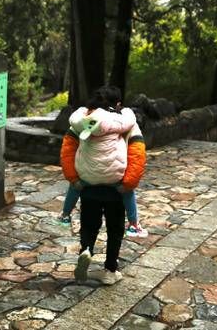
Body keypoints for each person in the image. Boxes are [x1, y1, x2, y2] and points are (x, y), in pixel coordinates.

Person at [60, 86, 147, 285]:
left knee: (89, 224)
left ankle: (86, 250)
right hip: (115, 187)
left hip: (88, 185)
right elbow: (137, 152)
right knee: (115, 228)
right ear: (117, 104)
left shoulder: (81, 122)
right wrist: (129, 183)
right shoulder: (126, 124)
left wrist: (73, 178)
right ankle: (109, 270)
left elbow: (67, 149)